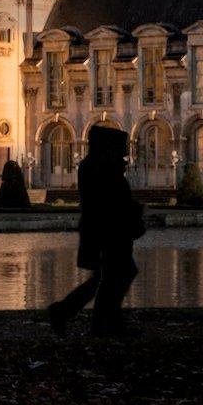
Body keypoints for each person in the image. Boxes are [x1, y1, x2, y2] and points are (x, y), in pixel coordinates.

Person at [47, 126, 145, 337]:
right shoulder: (103, 168)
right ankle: (100, 324)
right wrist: (133, 210)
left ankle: (72, 314)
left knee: (107, 278)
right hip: (107, 232)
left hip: (102, 231)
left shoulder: (95, 165)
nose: (124, 151)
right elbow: (111, 201)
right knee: (115, 277)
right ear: (109, 146)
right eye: (121, 146)